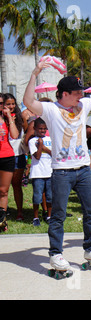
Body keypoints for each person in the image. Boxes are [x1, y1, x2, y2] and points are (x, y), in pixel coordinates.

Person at [23, 58, 91, 273]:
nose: (81, 95)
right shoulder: (50, 109)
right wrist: (35, 73)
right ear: (64, 94)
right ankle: (55, 254)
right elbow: (27, 101)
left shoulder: (84, 105)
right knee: (59, 215)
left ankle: (90, 248)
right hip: (61, 172)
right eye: (77, 92)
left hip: (83, 170)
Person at [3, 94, 25, 221]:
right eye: (8, 104)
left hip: (18, 155)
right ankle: (3, 212)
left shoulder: (19, 118)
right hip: (4, 155)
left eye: (13, 104)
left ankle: (20, 212)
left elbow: (19, 135)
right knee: (3, 188)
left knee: (16, 185)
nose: (11, 106)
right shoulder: (2, 119)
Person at [0, 93, 20, 232]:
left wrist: (9, 118)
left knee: (3, 190)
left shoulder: (8, 119)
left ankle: (2, 220)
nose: (1, 106)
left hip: (7, 156)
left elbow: (14, 135)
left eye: (2, 103)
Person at [28, 117, 52, 226]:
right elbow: (37, 156)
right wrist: (40, 146)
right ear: (34, 128)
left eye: (44, 129)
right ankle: (36, 217)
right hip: (38, 173)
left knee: (50, 196)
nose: (42, 131)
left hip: (50, 172)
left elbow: (54, 154)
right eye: (40, 129)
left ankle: (49, 215)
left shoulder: (50, 139)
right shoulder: (32, 141)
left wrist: (43, 147)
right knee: (37, 196)